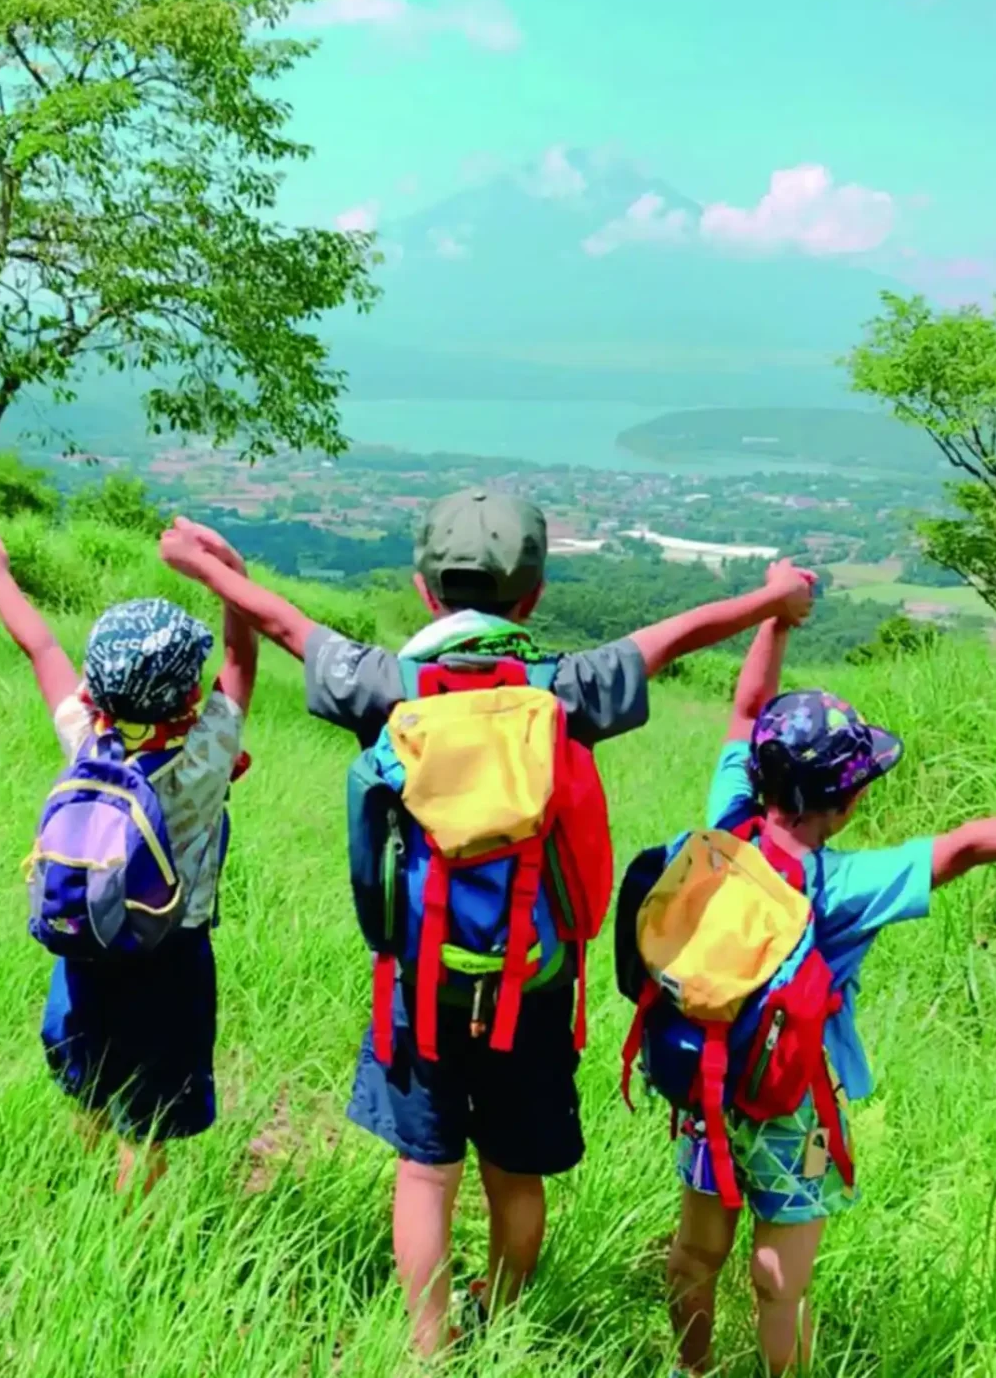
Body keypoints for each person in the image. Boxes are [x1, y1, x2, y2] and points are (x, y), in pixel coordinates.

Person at [156, 489, 818, 1356]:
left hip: (418, 990)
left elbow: (287, 627)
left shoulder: (389, 685)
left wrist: (207, 567)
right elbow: (676, 637)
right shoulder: (566, 689)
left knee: (425, 1176)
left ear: (424, 590)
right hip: (533, 990)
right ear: (534, 596)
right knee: (515, 1178)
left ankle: (429, 1349)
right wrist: (775, 600)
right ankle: (498, 1318)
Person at [641, 613, 996, 1377]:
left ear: (761, 775)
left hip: (706, 1089)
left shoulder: (726, 823)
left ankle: (691, 1370)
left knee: (694, 1253)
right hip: (792, 1106)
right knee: (779, 1284)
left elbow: (747, 708)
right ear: (846, 802)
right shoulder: (843, 886)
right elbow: (967, 847)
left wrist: (778, 619)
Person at [0, 527, 255, 1195]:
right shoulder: (210, 751)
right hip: (172, 953)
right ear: (190, 697)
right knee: (144, 1120)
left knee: (88, 1081)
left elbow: (39, 646)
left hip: (86, 939)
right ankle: (129, 1241)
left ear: (96, 686)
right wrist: (227, 575)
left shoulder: (85, 737)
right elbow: (240, 657)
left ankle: (80, 1185)